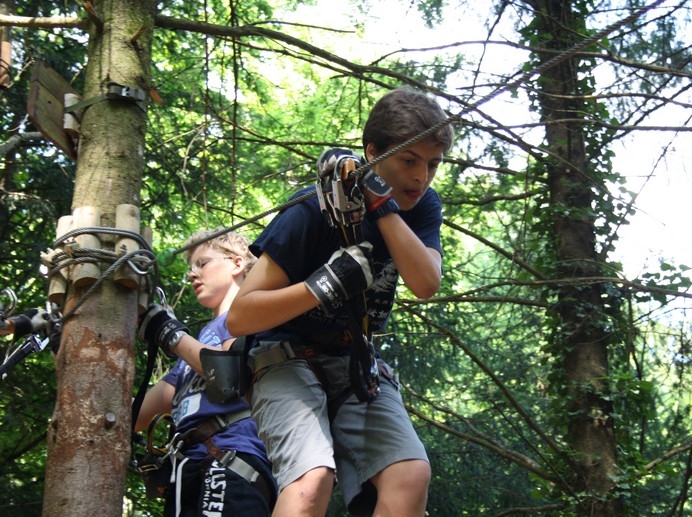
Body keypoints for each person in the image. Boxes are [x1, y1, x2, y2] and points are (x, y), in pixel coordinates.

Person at [226, 86, 455, 517]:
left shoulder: (420, 207)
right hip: (284, 358)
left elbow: (426, 282)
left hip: (356, 362)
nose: (422, 177)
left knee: (409, 476)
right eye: (409, 160)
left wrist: (380, 204)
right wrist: (323, 286)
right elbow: (241, 316)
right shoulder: (311, 212)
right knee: (312, 481)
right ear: (372, 152)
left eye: (433, 165)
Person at [136, 228, 277, 516]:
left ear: (237, 263)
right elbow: (135, 417)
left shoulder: (252, 315)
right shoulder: (197, 344)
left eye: (202, 263)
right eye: (191, 267)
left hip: (233, 460)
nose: (192, 274)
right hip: (188, 469)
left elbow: (228, 375)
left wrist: (169, 334)